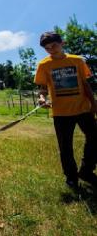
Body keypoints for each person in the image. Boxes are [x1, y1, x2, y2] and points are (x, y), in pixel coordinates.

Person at [34, 31, 97, 189]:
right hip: (61, 113)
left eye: (54, 45)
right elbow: (42, 89)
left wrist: (94, 105)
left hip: (83, 108)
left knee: (94, 138)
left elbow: (86, 84)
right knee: (65, 147)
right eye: (47, 48)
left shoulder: (77, 61)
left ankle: (86, 171)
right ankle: (71, 177)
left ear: (63, 43)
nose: (51, 49)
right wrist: (42, 99)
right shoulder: (44, 65)